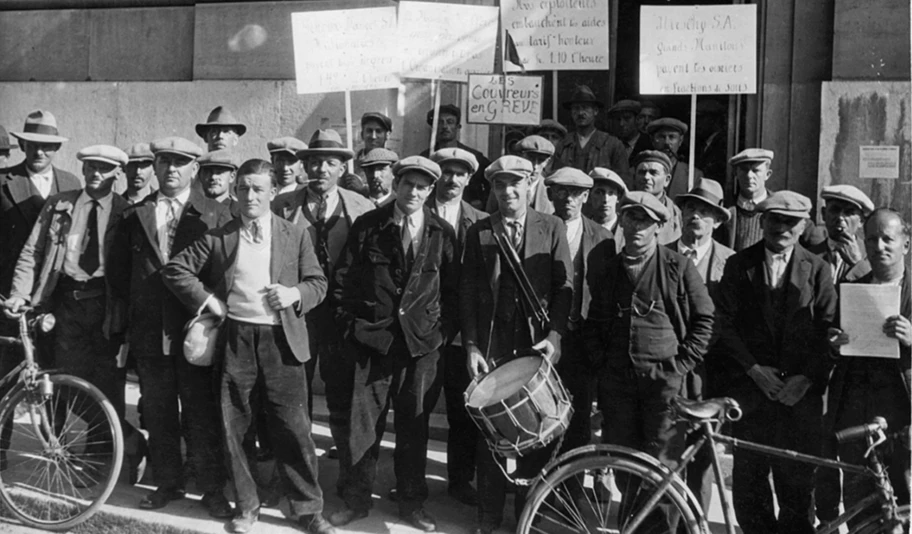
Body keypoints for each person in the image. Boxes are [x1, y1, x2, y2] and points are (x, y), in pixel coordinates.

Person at [163, 159, 334, 534]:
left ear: (273, 193)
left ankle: (307, 509)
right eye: (243, 188)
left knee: (294, 428)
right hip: (236, 340)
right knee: (234, 426)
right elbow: (175, 270)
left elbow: (318, 283)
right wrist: (210, 302)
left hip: (282, 343)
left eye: (258, 188)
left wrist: (293, 293)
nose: (250, 196)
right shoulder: (219, 236)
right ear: (236, 193)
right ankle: (248, 506)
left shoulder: (294, 234)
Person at [329, 156, 459, 532]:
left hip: (420, 349)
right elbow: (343, 282)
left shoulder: (442, 233)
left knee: (414, 428)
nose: (413, 192)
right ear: (396, 184)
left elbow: (451, 293)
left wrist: (438, 337)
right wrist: (353, 328)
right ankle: (355, 502)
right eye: (407, 184)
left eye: (422, 187)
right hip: (372, 345)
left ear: (430, 190)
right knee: (363, 428)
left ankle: (411, 504)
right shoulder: (370, 226)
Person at [108, 137, 232, 517]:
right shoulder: (134, 214)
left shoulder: (215, 213)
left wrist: (210, 314)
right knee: (158, 412)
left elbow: (224, 274)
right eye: (164, 162)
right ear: (154, 167)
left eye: (180, 162)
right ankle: (168, 482)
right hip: (149, 331)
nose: (171, 170)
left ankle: (211, 489)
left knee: (200, 413)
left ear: (195, 168)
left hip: (197, 332)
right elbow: (118, 273)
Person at [583, 191, 715, 531]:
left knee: (664, 469)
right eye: (632, 218)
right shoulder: (609, 270)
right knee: (626, 464)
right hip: (618, 386)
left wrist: (680, 366)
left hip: (665, 387)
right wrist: (603, 366)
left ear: (659, 226)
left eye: (646, 220)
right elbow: (595, 323)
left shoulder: (678, 267)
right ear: (622, 222)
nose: (637, 227)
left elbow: (705, 320)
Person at [460, 155, 572, 534]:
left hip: (535, 344)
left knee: (538, 430)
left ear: (530, 185)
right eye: (499, 184)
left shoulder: (552, 226)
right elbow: (468, 293)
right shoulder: (480, 231)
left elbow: (564, 290)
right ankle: (488, 518)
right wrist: (472, 346)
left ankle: (530, 515)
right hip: (494, 342)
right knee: (493, 435)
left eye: (515, 183)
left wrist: (554, 339)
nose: (507, 191)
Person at [715, 191, 837, 534]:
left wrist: (807, 380)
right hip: (753, 398)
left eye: (790, 222)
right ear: (762, 221)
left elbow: (829, 332)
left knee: (796, 493)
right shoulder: (739, 265)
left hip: (799, 402)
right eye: (774, 219)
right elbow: (722, 324)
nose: (781, 227)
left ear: (803, 227)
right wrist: (753, 370)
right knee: (750, 495)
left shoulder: (818, 270)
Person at [272, 129, 374, 484]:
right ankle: (297, 481)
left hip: (342, 321)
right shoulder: (283, 206)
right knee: (293, 400)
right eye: (314, 161)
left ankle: (349, 484)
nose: (320, 169)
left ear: (342, 167)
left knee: (343, 402)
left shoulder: (361, 208)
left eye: (330, 162)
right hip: (296, 315)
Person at [5, 144, 130, 431]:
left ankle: (109, 454)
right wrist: (20, 293)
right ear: (83, 169)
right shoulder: (60, 205)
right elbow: (33, 252)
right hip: (66, 306)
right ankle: (63, 450)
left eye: (104, 168)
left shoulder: (127, 213)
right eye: (90, 166)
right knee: (66, 382)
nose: (96, 173)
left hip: (107, 307)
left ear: (118, 174)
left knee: (105, 386)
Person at [825, 208, 910, 525]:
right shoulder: (849, 288)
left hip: (904, 419)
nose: (879, 246)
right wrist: (834, 346)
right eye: (872, 239)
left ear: (905, 244)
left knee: (904, 507)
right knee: (861, 508)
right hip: (856, 416)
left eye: (888, 239)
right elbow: (832, 352)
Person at [667, 178, 735, 515]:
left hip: (711, 372)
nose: (696, 216)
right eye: (691, 208)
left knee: (703, 459)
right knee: (664, 454)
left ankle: (694, 523)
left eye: (705, 211)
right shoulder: (662, 254)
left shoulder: (731, 264)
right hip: (669, 368)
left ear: (718, 221)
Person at [427, 147, 488, 506]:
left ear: (469, 179)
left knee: (462, 410)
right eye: (446, 172)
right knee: (415, 408)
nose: (452, 179)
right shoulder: (418, 212)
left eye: (459, 173)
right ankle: (410, 481)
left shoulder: (479, 221)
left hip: (463, 333)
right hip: (423, 327)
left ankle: (460, 479)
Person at [0, 110, 80, 377]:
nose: (39, 152)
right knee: (9, 368)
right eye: (33, 145)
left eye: (46, 146)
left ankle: (52, 421)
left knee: (53, 367)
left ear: (56, 148)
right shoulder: (2, 182)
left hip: (54, 295)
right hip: (10, 292)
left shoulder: (71, 183)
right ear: (23, 145)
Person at [544, 167, 616, 453]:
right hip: (544, 336)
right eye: (561, 191)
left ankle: (571, 487)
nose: (568, 199)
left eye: (575, 193)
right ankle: (537, 488)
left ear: (586, 197)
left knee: (578, 414)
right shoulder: (538, 228)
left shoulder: (602, 237)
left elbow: (604, 293)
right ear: (550, 193)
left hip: (582, 339)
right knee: (542, 414)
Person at [420, 104, 490, 209]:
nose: (445, 126)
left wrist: (482, 202)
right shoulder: (425, 158)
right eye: (440, 122)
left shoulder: (474, 157)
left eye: (450, 122)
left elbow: (493, 181)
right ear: (433, 128)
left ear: (458, 127)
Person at [553, 85, 629, 179]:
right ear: (571, 112)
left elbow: (624, 181)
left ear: (595, 111)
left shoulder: (613, 145)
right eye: (576, 108)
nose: (580, 113)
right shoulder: (563, 145)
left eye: (585, 108)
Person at [803, 184, 874, 283]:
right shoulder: (808, 256)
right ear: (823, 214)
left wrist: (858, 263)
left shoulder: (872, 255)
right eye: (834, 210)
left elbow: (878, 292)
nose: (840, 217)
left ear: (861, 221)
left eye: (849, 212)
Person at [715, 148, 775, 251]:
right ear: (736, 173)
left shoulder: (778, 206)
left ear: (767, 174)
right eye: (744, 170)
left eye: (756, 170)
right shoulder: (724, 207)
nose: (749, 176)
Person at [485, 135, 554, 215]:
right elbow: (490, 215)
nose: (535, 166)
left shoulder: (550, 189)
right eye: (531, 159)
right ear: (519, 157)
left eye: (541, 161)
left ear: (547, 162)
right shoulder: (502, 186)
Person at [631, 150, 682, 245]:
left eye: (653, 173)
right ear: (634, 177)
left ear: (667, 180)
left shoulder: (676, 214)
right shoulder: (622, 208)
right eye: (642, 172)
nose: (646, 177)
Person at [647, 117, 703, 200]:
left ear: (680, 141)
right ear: (652, 140)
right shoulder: (639, 172)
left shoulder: (693, 175)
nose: (666, 142)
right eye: (661, 137)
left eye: (672, 137)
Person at [584, 166, 628, 246]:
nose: (605, 199)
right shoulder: (582, 228)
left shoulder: (627, 228)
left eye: (611, 193)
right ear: (589, 196)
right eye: (599, 192)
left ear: (618, 197)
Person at [694, 100, 728, 190]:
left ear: (714, 120)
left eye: (701, 117)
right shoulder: (702, 144)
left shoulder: (724, 145)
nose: (697, 122)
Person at [607, 99, 651, 165]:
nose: (621, 124)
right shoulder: (609, 145)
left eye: (626, 119)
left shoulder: (649, 144)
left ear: (637, 119)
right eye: (618, 119)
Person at [353, 112, 393, 177]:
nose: (373, 136)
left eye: (378, 131)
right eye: (369, 131)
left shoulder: (395, 166)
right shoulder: (351, 166)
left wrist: (362, 187)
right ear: (362, 134)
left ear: (387, 135)